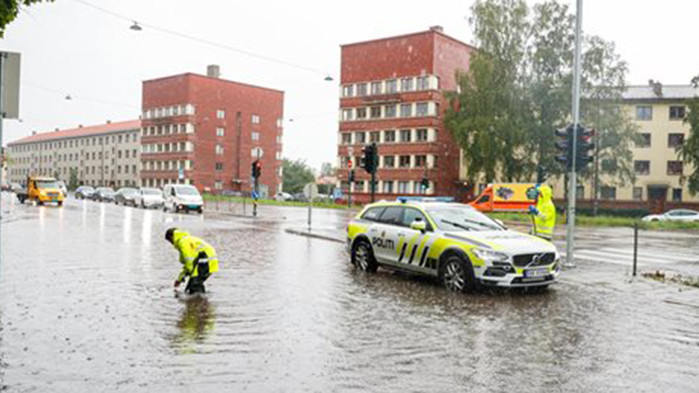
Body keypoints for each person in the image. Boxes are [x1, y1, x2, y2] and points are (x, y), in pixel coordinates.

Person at [165, 228, 219, 294]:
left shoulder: (183, 242)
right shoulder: (185, 240)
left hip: (205, 260)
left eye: (170, 241)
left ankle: (198, 301)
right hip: (207, 261)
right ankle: (200, 301)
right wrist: (180, 279)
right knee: (194, 284)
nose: (171, 243)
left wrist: (193, 276)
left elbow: (189, 262)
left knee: (194, 285)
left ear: (172, 237)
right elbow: (188, 264)